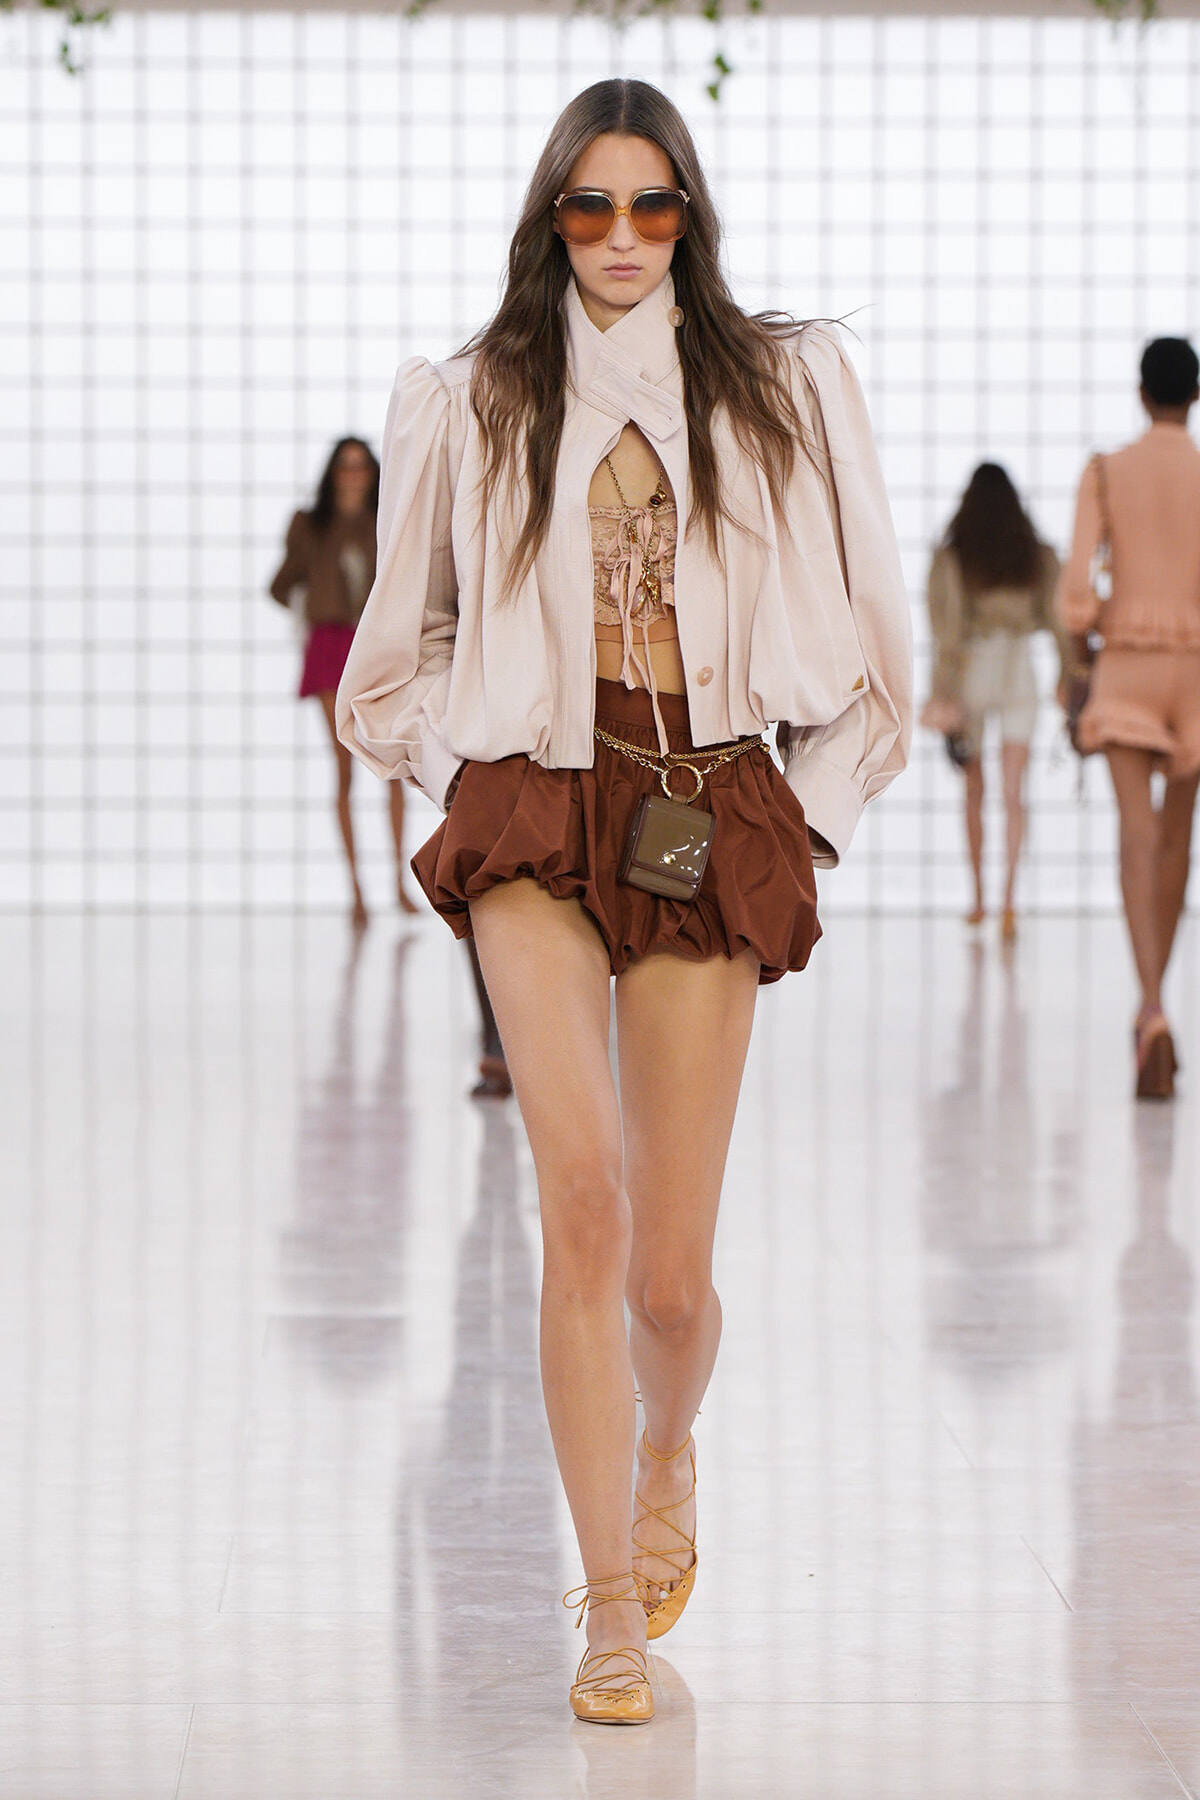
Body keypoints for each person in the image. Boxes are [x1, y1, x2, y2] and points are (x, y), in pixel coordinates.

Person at [337, 78, 912, 1723]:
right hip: (538, 805)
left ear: (689, 219)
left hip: (706, 800)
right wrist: (480, 760)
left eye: (650, 206)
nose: (618, 237)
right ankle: (602, 1608)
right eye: (588, 207)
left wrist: (802, 812)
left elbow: (875, 639)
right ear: (549, 219)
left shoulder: (782, 388)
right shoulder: (472, 400)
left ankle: (673, 1439)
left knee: (669, 1278)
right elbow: (391, 661)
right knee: (575, 1204)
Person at [1058, 338, 1200, 1100]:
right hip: (1198, 672)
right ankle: (1158, 995)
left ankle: (1148, 1006)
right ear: (1196, 395)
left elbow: (1077, 589)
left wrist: (1081, 657)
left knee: (1135, 837)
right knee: (1179, 839)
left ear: (1143, 394)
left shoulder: (1107, 471)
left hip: (1131, 666)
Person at [270, 437, 420, 926]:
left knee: (392, 760)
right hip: (332, 645)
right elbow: (280, 583)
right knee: (345, 766)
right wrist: (310, 608)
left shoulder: (387, 521)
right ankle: (357, 888)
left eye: (361, 467)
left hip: (376, 647)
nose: (354, 475)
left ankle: (399, 883)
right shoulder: (310, 526)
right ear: (332, 474)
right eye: (345, 467)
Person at [922, 465, 1065, 939]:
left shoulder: (957, 555)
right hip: (1019, 666)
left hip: (973, 668)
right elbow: (1059, 620)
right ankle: (1008, 902)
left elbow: (946, 630)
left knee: (974, 791)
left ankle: (979, 898)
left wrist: (942, 693)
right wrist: (1070, 675)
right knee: (1013, 792)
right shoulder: (1035, 555)